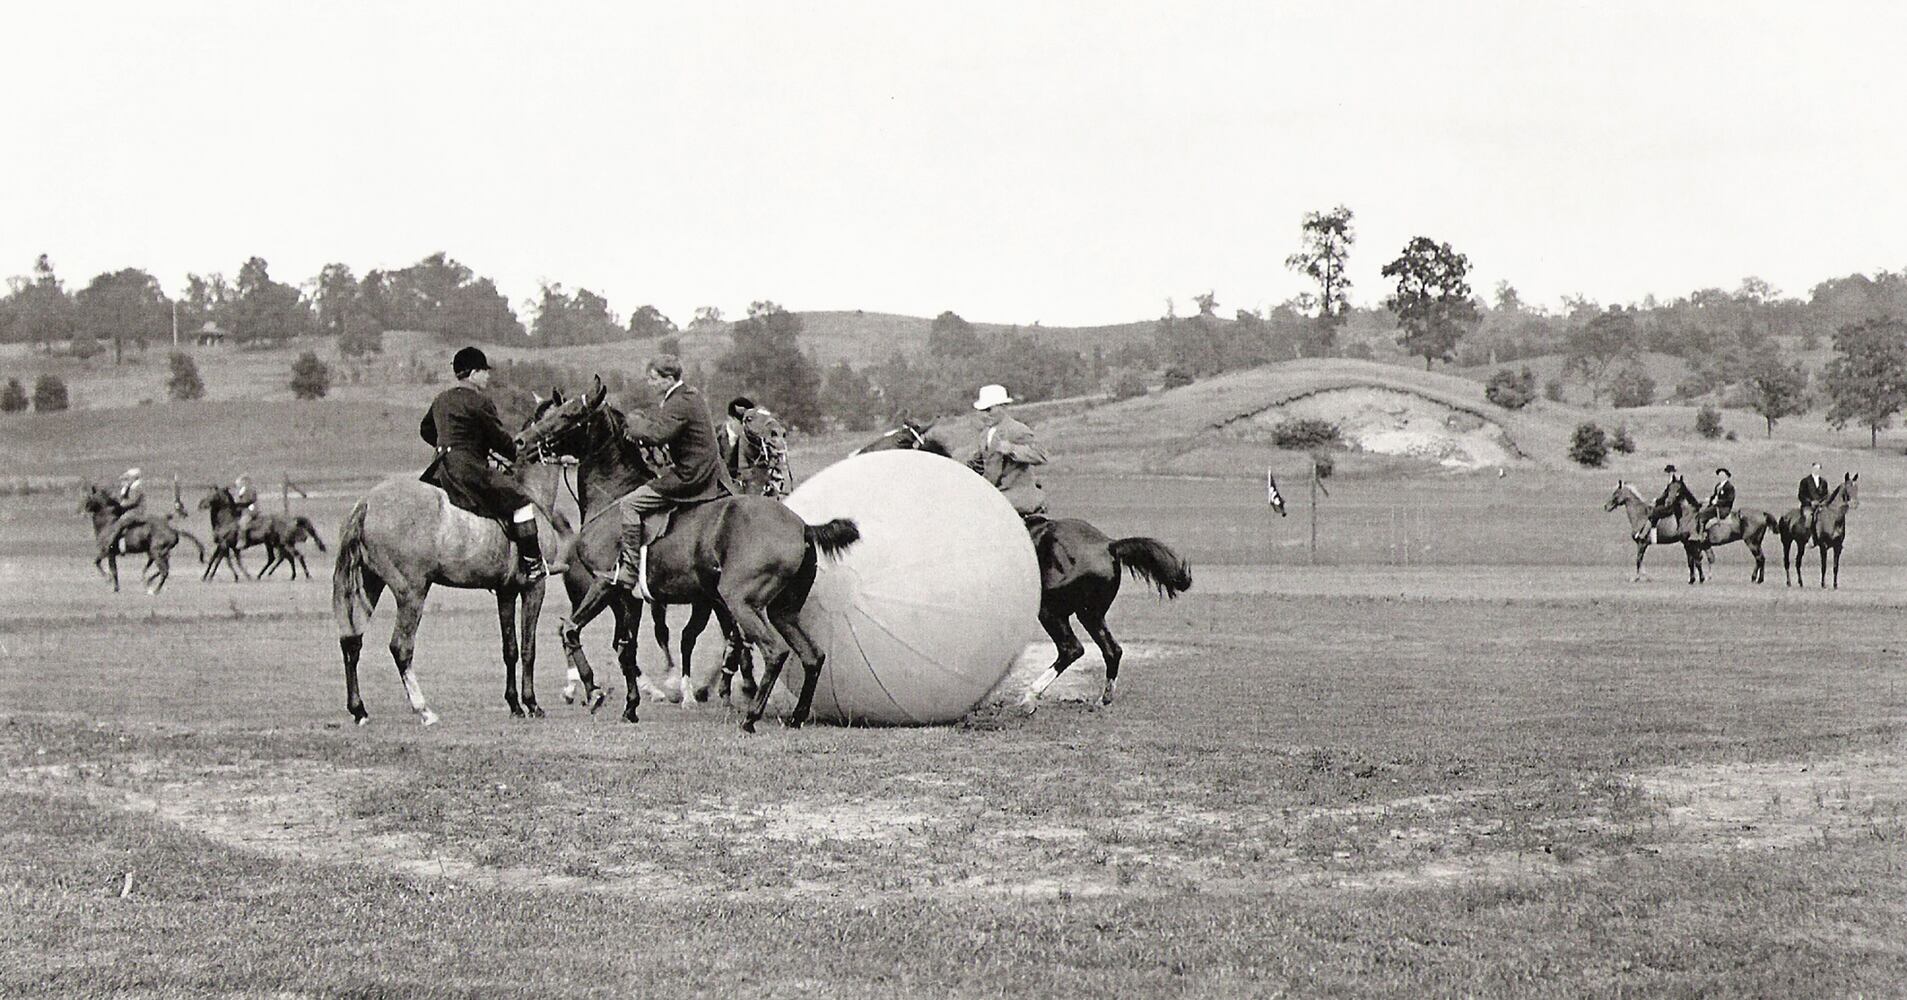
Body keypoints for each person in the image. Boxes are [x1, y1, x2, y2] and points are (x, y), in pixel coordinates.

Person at [419, 346, 553, 583]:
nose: (488, 376)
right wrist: (512, 454)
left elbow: (426, 430)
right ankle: (533, 563)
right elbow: (499, 439)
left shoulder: (441, 399)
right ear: (472, 374)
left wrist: (449, 444)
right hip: (470, 470)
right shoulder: (480, 402)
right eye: (484, 371)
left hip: (441, 469)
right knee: (521, 500)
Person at [610, 355, 737, 586]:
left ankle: (630, 569)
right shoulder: (688, 395)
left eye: (654, 378)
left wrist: (633, 425)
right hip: (705, 470)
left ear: (669, 379)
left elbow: (659, 434)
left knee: (629, 504)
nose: (651, 383)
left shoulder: (679, 401)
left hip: (692, 475)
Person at [968, 383, 1048, 518]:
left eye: (989, 410)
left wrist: (1013, 449)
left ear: (1003, 407)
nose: (985, 415)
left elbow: (1041, 455)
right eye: (982, 411)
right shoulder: (985, 434)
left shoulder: (1017, 429)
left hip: (1016, 496)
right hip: (995, 494)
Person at [1636, 464, 1697, 543]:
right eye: (1668, 473)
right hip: (1669, 504)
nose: (1669, 474)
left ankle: (1651, 537)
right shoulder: (1671, 482)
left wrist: (1695, 503)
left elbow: (1687, 494)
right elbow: (1665, 495)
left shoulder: (1676, 483)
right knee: (1654, 510)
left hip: (1673, 507)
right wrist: (1657, 501)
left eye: (1670, 472)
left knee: (1654, 512)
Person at [101, 467, 149, 556]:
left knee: (120, 523)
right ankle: (120, 544)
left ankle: (110, 545)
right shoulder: (132, 487)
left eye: (129, 477)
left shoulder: (137, 487)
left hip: (136, 512)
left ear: (134, 478)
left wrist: (120, 505)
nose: (127, 479)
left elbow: (132, 501)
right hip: (131, 511)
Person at [717, 395, 757, 480]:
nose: (746, 426)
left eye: (749, 422)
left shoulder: (754, 441)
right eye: (741, 422)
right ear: (730, 419)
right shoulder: (715, 437)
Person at [1694, 467, 1735, 539]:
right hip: (1715, 506)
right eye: (1719, 475)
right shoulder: (1718, 485)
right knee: (1702, 511)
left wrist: (1718, 502)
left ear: (1726, 476)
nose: (1720, 476)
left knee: (1702, 516)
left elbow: (1729, 499)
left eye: (1722, 475)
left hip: (1723, 508)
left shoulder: (1729, 487)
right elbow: (1715, 496)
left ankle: (1700, 536)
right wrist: (1708, 499)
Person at [1797, 461, 1831, 537]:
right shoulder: (1805, 481)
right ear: (1812, 469)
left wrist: (1823, 502)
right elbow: (1801, 495)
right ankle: (1808, 537)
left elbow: (1826, 495)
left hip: (1820, 506)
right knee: (1809, 517)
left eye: (1818, 469)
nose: (1816, 470)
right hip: (1808, 506)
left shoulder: (1823, 482)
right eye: (1815, 468)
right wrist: (1810, 502)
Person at [230, 474, 260, 542]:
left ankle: (242, 540)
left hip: (250, 509)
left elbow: (249, 500)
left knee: (243, 522)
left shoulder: (250, 489)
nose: (237, 485)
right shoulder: (240, 490)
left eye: (238, 483)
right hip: (241, 509)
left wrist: (239, 504)